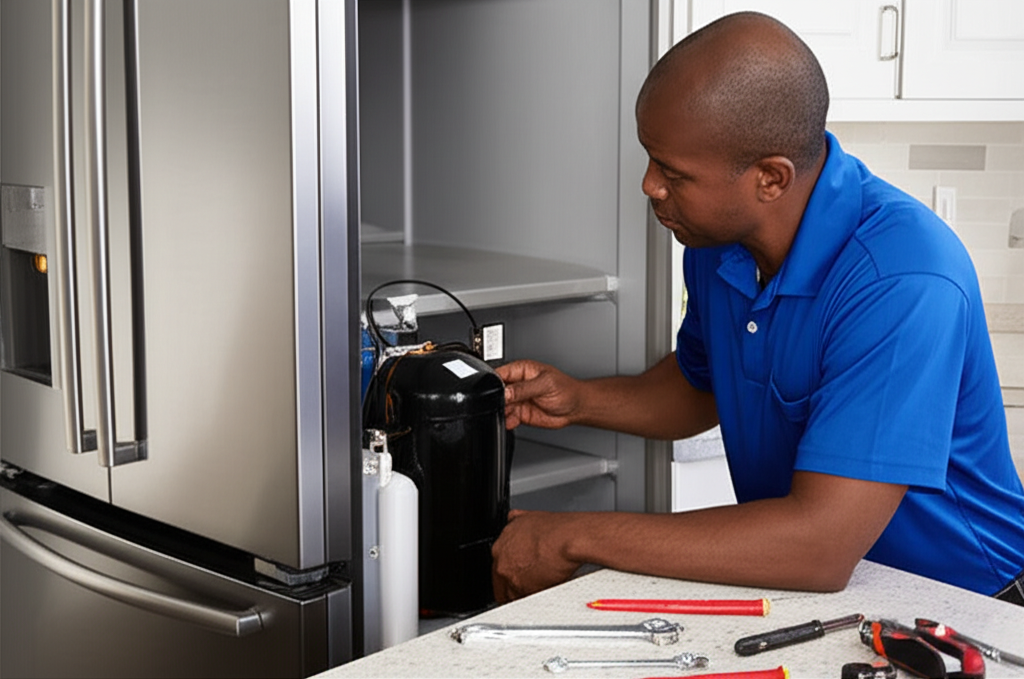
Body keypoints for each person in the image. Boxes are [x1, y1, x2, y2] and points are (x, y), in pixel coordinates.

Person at [491, 11, 1024, 606]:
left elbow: (818, 545)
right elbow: (705, 385)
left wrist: (572, 536)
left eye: (672, 172)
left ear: (770, 178)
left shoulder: (902, 278)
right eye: (650, 158)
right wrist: (580, 400)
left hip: (966, 605)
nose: (649, 186)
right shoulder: (718, 242)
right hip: (834, 599)